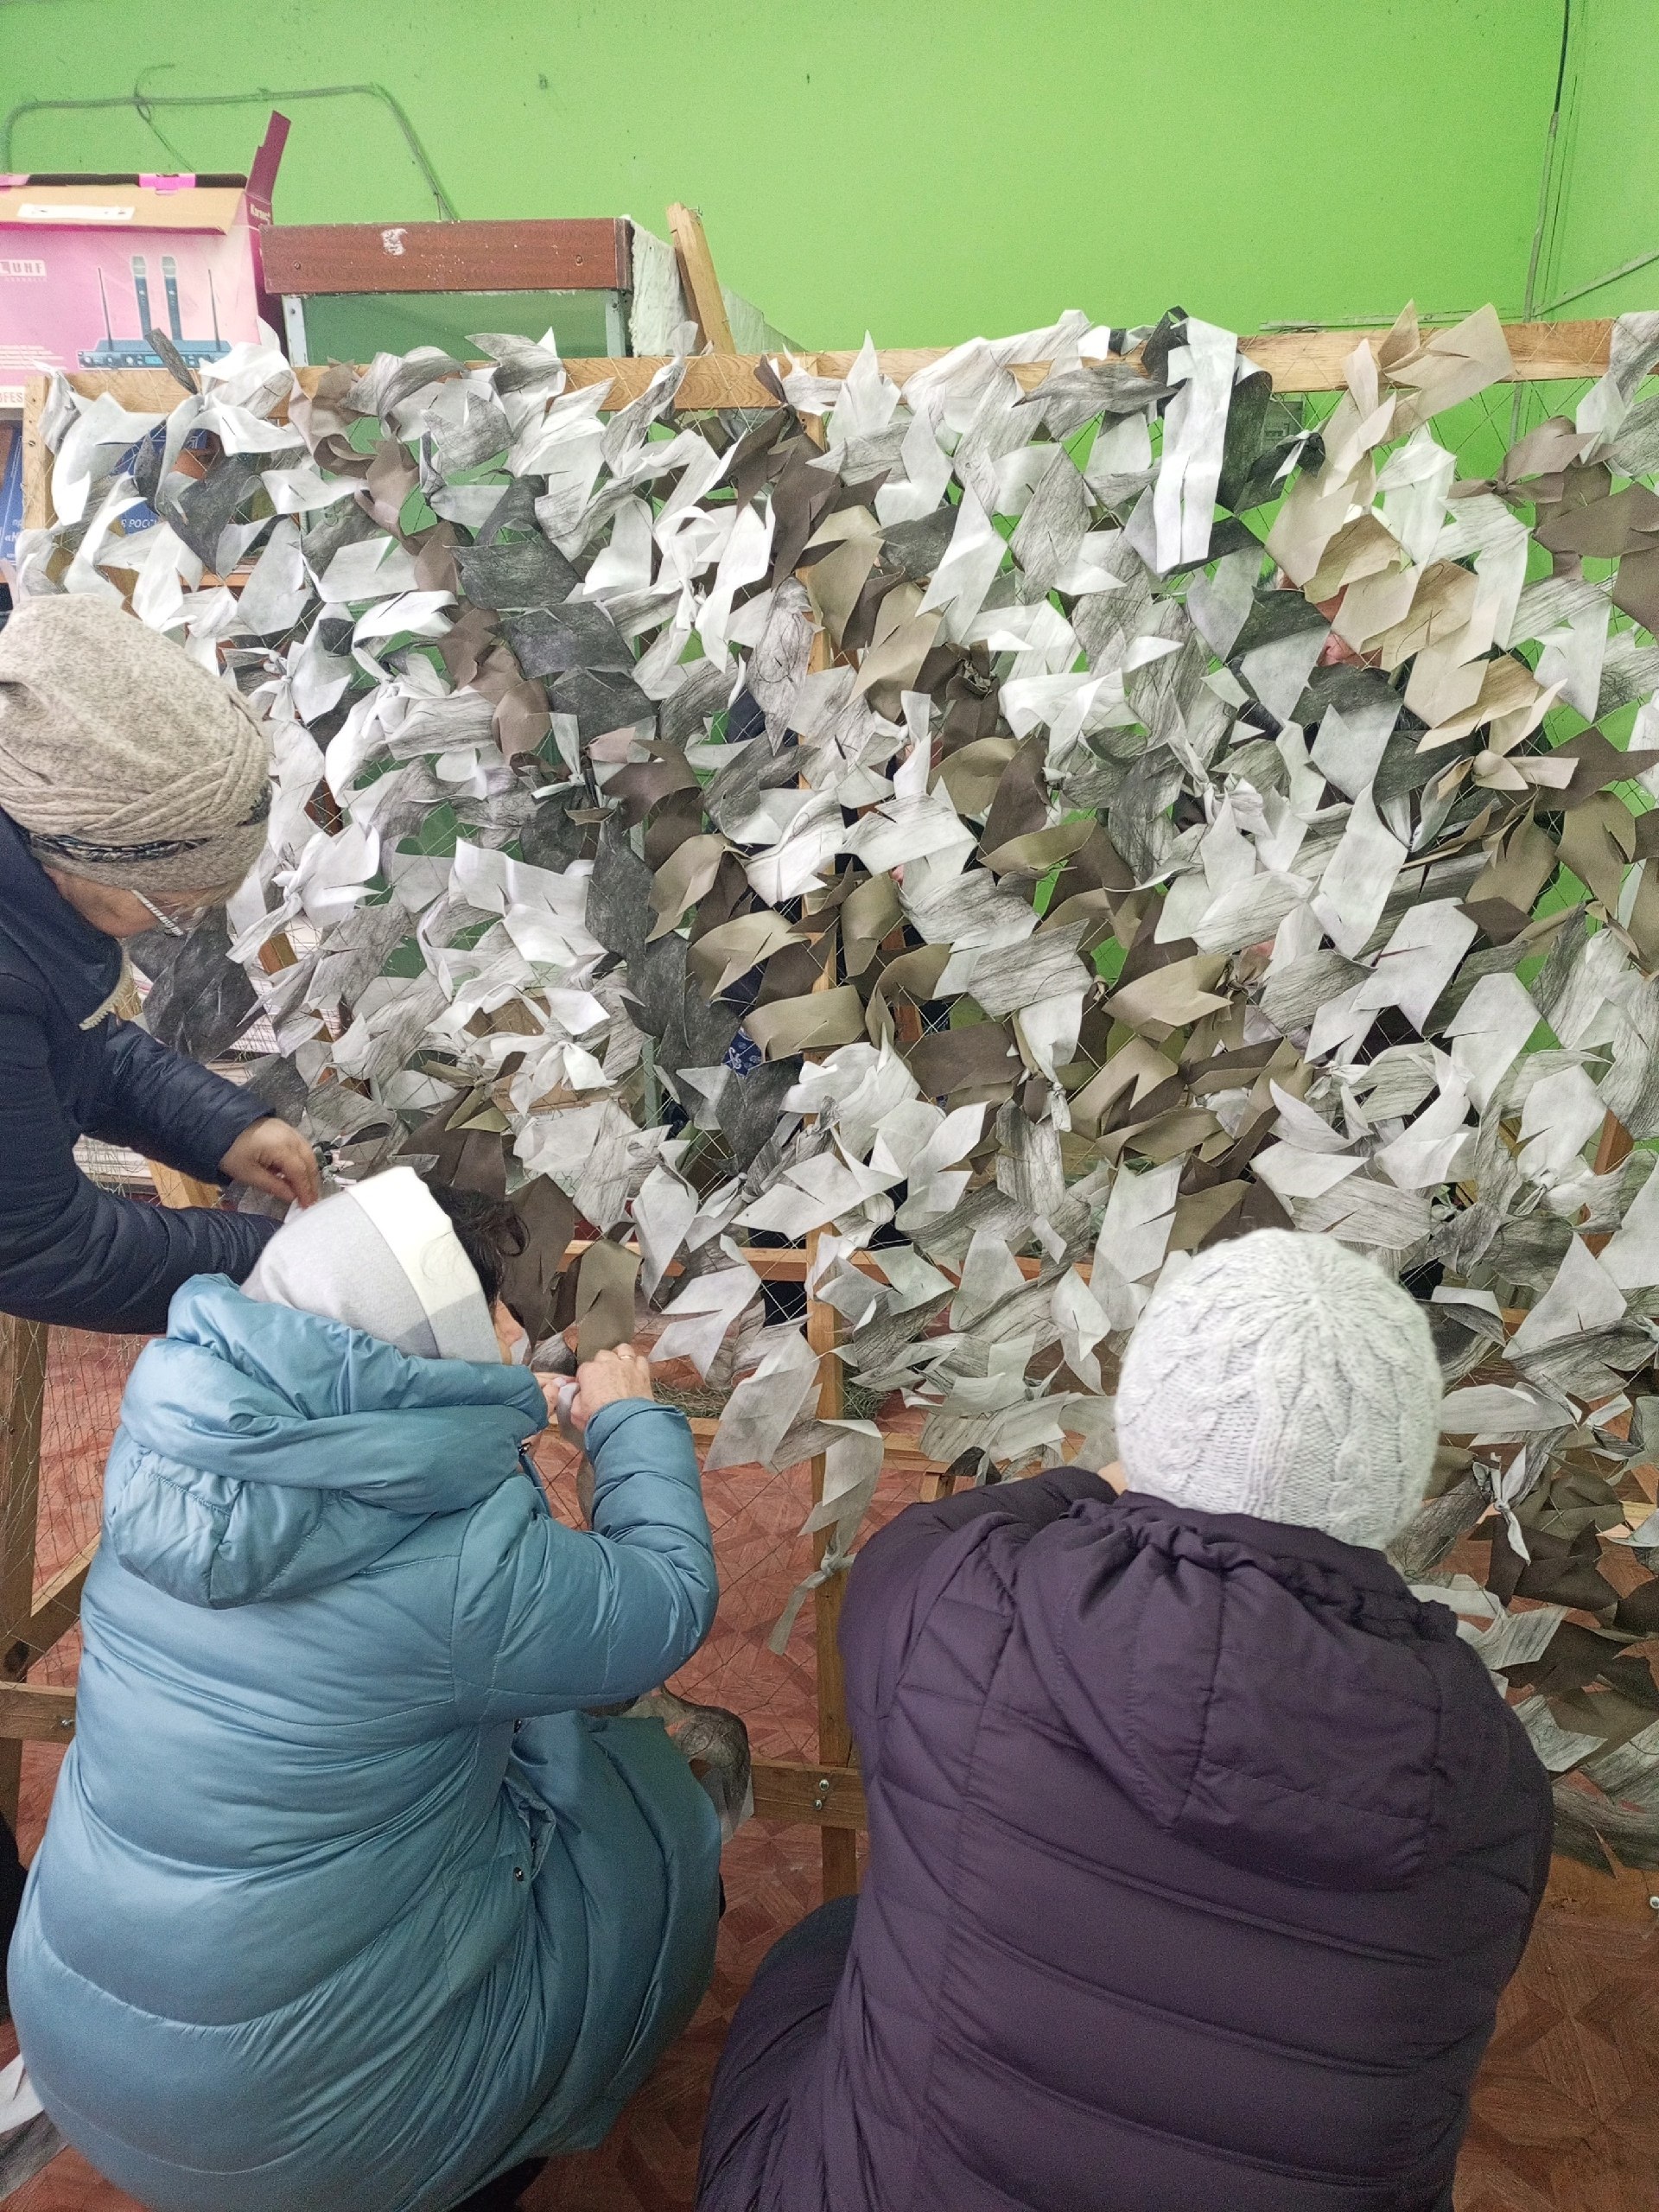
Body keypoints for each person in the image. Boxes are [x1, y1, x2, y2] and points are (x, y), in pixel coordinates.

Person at [697, 1230, 1554, 2212]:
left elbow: (924, 1544)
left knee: (830, 1945)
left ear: (1143, 1423)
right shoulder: (1494, 1780)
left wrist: (1088, 1488)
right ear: (1402, 1485)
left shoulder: (966, 1610)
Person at [8, 1165, 724, 2212]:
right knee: (652, 1811)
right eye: (500, 1312)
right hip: (305, 2131)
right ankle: (472, 2155)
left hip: (72, 2041)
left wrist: (496, 1411)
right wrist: (628, 1424)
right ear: (440, 1328)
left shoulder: (164, 1460)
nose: (520, 1337)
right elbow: (665, 1603)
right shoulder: (469, 1569)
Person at [0, 594, 319, 1336]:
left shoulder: (34, 911)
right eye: (175, 909)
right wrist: (294, 1258)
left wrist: (222, 1129)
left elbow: (75, 1041)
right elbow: (41, 1245)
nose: (189, 927)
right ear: (68, 855)